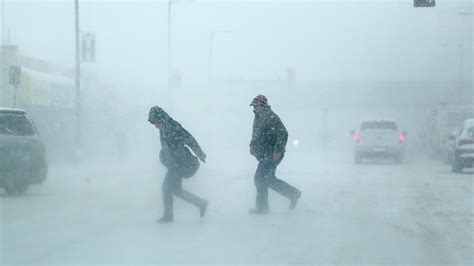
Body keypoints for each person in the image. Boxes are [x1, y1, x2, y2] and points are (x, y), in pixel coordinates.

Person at [148, 106, 208, 223]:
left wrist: (200, 154)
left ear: (161, 119)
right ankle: (201, 203)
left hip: (182, 164)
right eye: (154, 123)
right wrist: (163, 157)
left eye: (156, 122)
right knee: (176, 190)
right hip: (174, 165)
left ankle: (169, 216)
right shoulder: (163, 129)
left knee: (166, 188)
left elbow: (189, 139)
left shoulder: (174, 127)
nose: (156, 126)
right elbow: (166, 148)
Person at [249, 95, 301, 214]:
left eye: (256, 105)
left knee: (260, 179)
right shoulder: (258, 117)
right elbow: (256, 135)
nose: (254, 108)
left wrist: (278, 150)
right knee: (268, 180)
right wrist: (252, 146)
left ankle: (262, 207)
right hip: (264, 154)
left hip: (272, 154)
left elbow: (283, 133)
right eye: (254, 106)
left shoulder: (271, 117)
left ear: (262, 105)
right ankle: (293, 193)